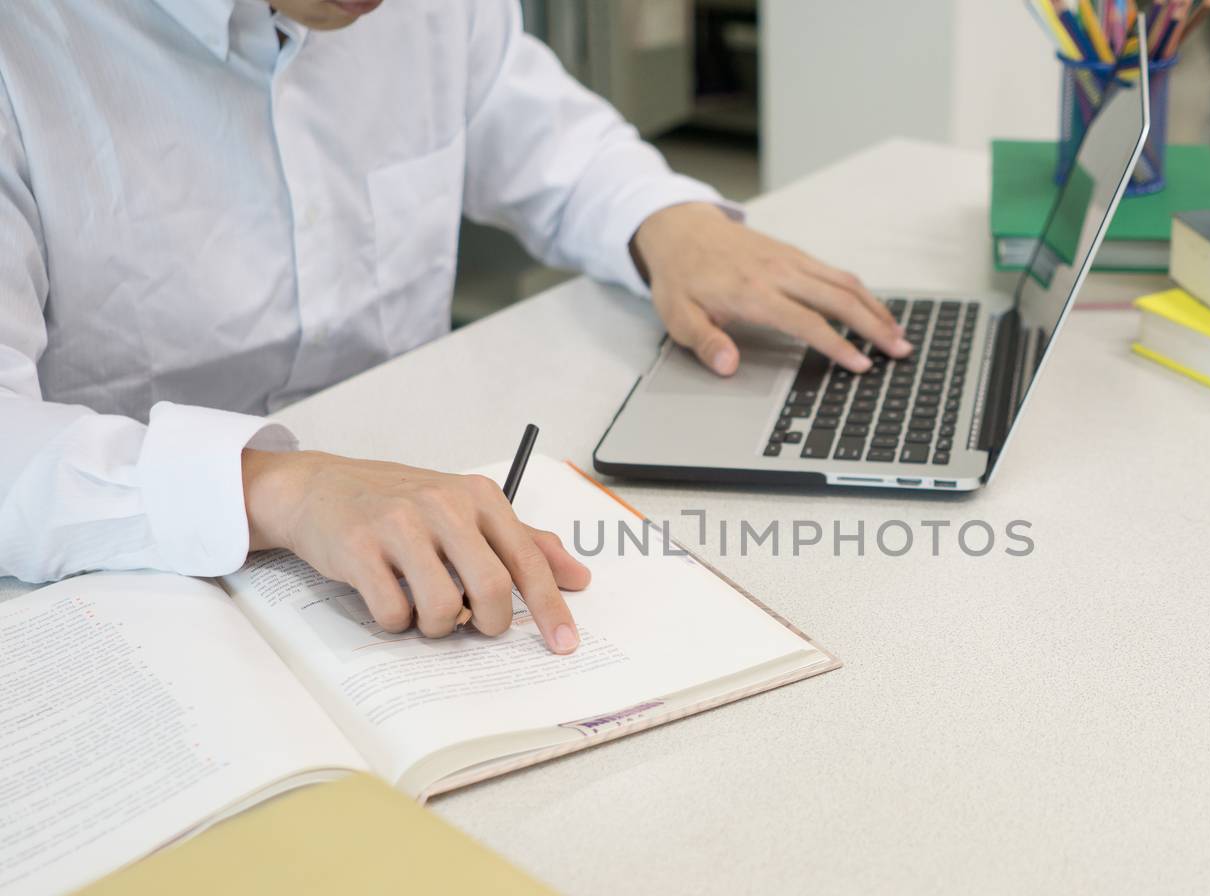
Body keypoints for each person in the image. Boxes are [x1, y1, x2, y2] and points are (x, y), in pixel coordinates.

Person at [0, 0, 910, 653]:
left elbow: (553, 142)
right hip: (116, 584)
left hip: (421, 531)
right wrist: (272, 485)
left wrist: (666, 223)